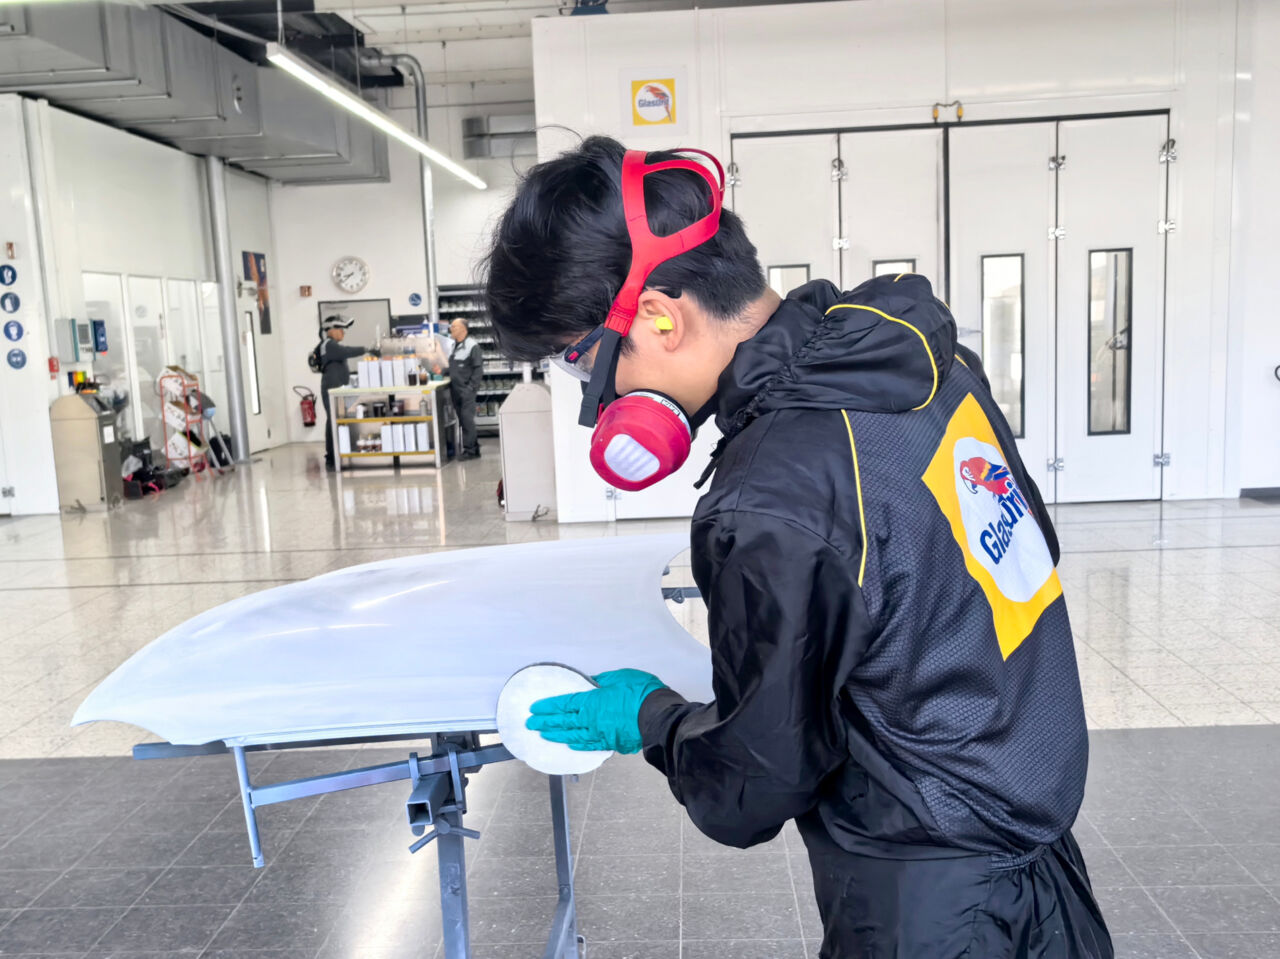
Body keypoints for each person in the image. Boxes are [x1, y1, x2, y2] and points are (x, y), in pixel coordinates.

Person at [482, 136, 1113, 959]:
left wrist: (648, 717)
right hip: (1044, 861)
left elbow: (756, 783)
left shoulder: (768, 496)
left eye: (584, 365)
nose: (599, 403)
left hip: (930, 905)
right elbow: (1021, 554)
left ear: (660, 317)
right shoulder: (925, 363)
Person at [316, 315, 378, 470]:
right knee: (333, 420)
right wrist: (367, 349)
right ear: (330, 330)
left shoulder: (332, 345)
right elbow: (347, 351)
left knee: (336, 419)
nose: (343, 332)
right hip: (331, 389)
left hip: (337, 388)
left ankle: (336, 453)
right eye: (340, 329)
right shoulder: (329, 345)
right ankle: (331, 456)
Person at [447, 318, 483, 460]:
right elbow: (453, 367)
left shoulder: (472, 346)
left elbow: (478, 370)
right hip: (456, 390)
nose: (451, 329)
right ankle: (475, 447)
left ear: (463, 329)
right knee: (463, 420)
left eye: (454, 327)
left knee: (467, 420)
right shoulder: (454, 346)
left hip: (466, 390)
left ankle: (470, 451)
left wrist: (471, 388)